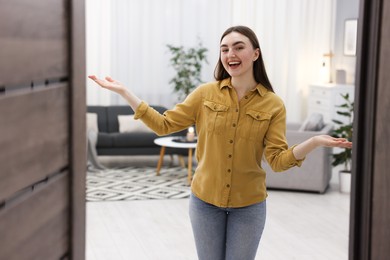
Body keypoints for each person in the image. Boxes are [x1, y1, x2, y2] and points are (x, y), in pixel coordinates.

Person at [89, 25, 352, 260]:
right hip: (204, 202)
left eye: (239, 47)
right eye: (224, 49)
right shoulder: (205, 94)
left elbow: (278, 161)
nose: (230, 54)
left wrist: (314, 141)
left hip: (249, 206)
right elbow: (164, 124)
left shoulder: (273, 104)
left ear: (256, 54)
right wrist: (125, 92)